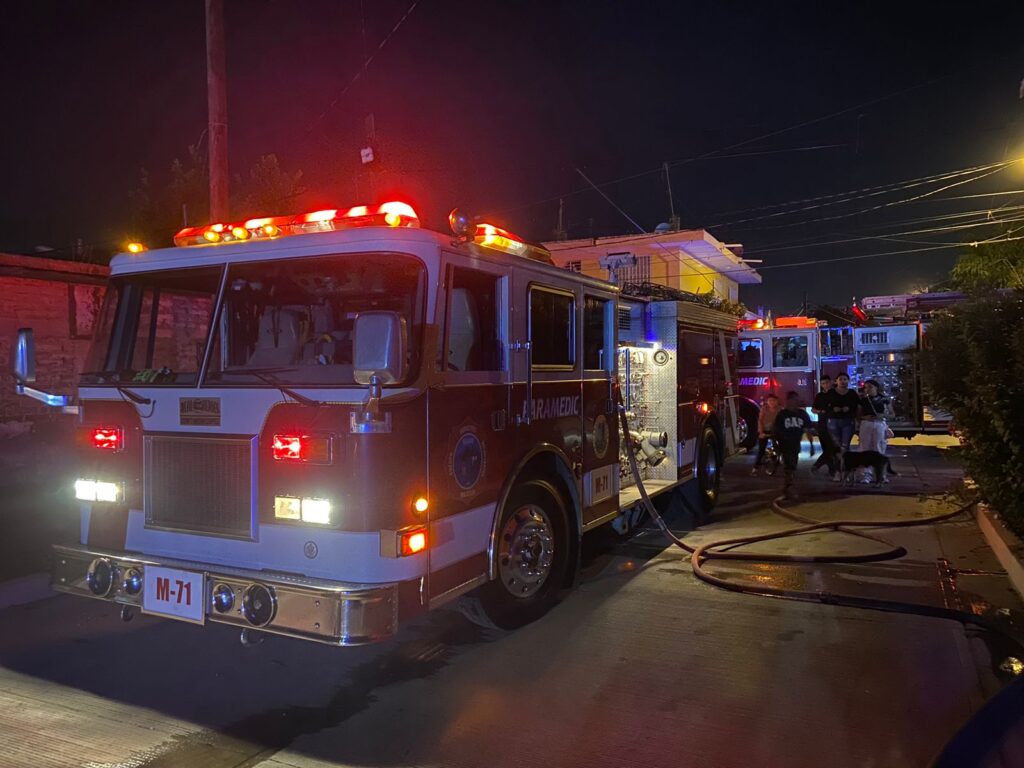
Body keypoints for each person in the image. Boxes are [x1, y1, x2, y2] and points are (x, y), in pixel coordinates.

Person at [774, 391, 812, 497]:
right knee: (788, 464)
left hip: (796, 442)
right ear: (789, 401)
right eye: (794, 400)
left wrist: (811, 445)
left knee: (793, 462)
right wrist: (776, 445)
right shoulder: (782, 414)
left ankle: (788, 485)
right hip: (785, 443)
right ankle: (788, 485)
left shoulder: (802, 414)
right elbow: (776, 430)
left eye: (797, 400)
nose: (797, 402)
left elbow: (807, 429)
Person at [825, 373, 859, 482]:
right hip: (833, 422)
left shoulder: (852, 393)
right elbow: (825, 406)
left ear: (848, 381)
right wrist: (832, 409)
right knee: (836, 448)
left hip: (848, 422)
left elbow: (857, 406)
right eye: (840, 379)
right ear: (836, 381)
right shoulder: (830, 393)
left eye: (845, 379)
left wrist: (849, 408)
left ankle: (846, 472)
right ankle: (837, 472)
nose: (843, 381)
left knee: (845, 447)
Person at [858, 379, 890, 482]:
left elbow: (892, 414)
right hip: (866, 424)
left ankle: (881, 474)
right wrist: (864, 418)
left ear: (876, 387)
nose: (867, 389)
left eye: (870, 387)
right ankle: (866, 475)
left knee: (879, 448)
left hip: (879, 424)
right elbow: (857, 415)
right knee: (865, 448)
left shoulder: (884, 399)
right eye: (866, 387)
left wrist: (883, 416)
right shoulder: (862, 400)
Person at [811, 375, 837, 476]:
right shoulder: (819, 396)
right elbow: (813, 409)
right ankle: (831, 470)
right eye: (823, 383)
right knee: (826, 448)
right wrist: (820, 411)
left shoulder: (836, 394)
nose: (825, 385)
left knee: (832, 448)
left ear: (831, 382)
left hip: (834, 425)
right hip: (822, 424)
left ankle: (817, 465)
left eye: (827, 382)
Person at [751, 393, 782, 476]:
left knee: (779, 449)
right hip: (764, 431)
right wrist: (761, 432)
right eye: (770, 401)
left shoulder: (780, 410)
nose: (772, 402)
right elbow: (760, 421)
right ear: (767, 402)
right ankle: (755, 468)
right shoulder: (764, 409)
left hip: (775, 431)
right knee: (761, 450)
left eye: (773, 401)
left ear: (777, 401)